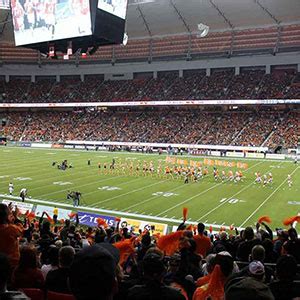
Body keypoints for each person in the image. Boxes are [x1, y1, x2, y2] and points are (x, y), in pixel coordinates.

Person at [0, 203, 23, 268]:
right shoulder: (11, 229)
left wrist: (7, 215)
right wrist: (16, 217)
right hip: (11, 263)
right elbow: (21, 229)